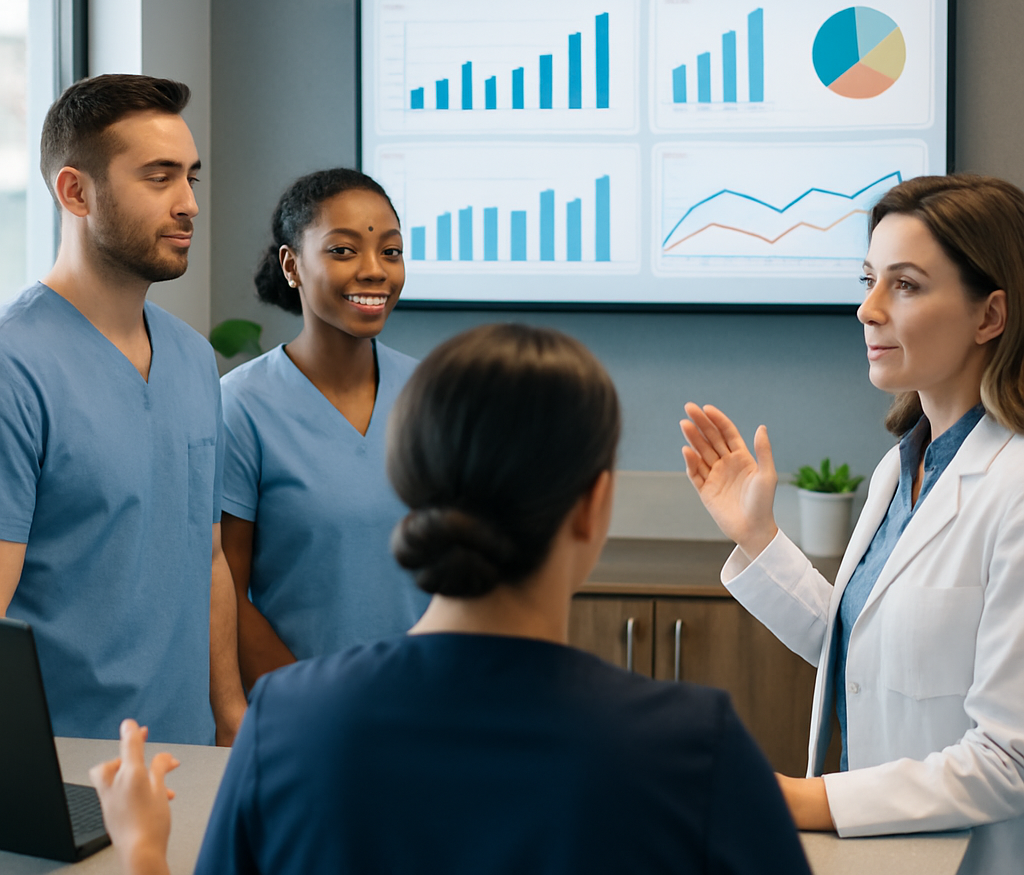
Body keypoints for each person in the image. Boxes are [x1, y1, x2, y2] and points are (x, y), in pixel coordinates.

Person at [90, 324, 812, 875]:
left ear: (408, 490)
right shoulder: (693, 748)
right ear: (592, 507)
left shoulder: (286, 725)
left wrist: (147, 855)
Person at [680, 174, 1024, 874]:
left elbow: (1007, 760)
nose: (867, 310)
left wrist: (801, 800)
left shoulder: (1014, 486)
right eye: (869, 279)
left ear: (990, 316)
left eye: (904, 285)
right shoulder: (905, 467)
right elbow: (867, 651)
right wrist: (757, 537)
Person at [0, 74, 246, 746]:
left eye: (192, 177)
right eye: (159, 177)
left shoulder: (194, 359)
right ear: (75, 192)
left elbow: (210, 556)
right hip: (60, 770)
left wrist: (229, 718)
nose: (189, 203)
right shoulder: (13, 365)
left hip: (186, 758)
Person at [219, 169, 427, 691]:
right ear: (292, 265)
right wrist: (314, 704)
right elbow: (225, 588)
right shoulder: (242, 406)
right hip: (304, 712)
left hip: (426, 706)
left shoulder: (434, 394)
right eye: (343, 250)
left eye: (391, 251)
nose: (375, 270)